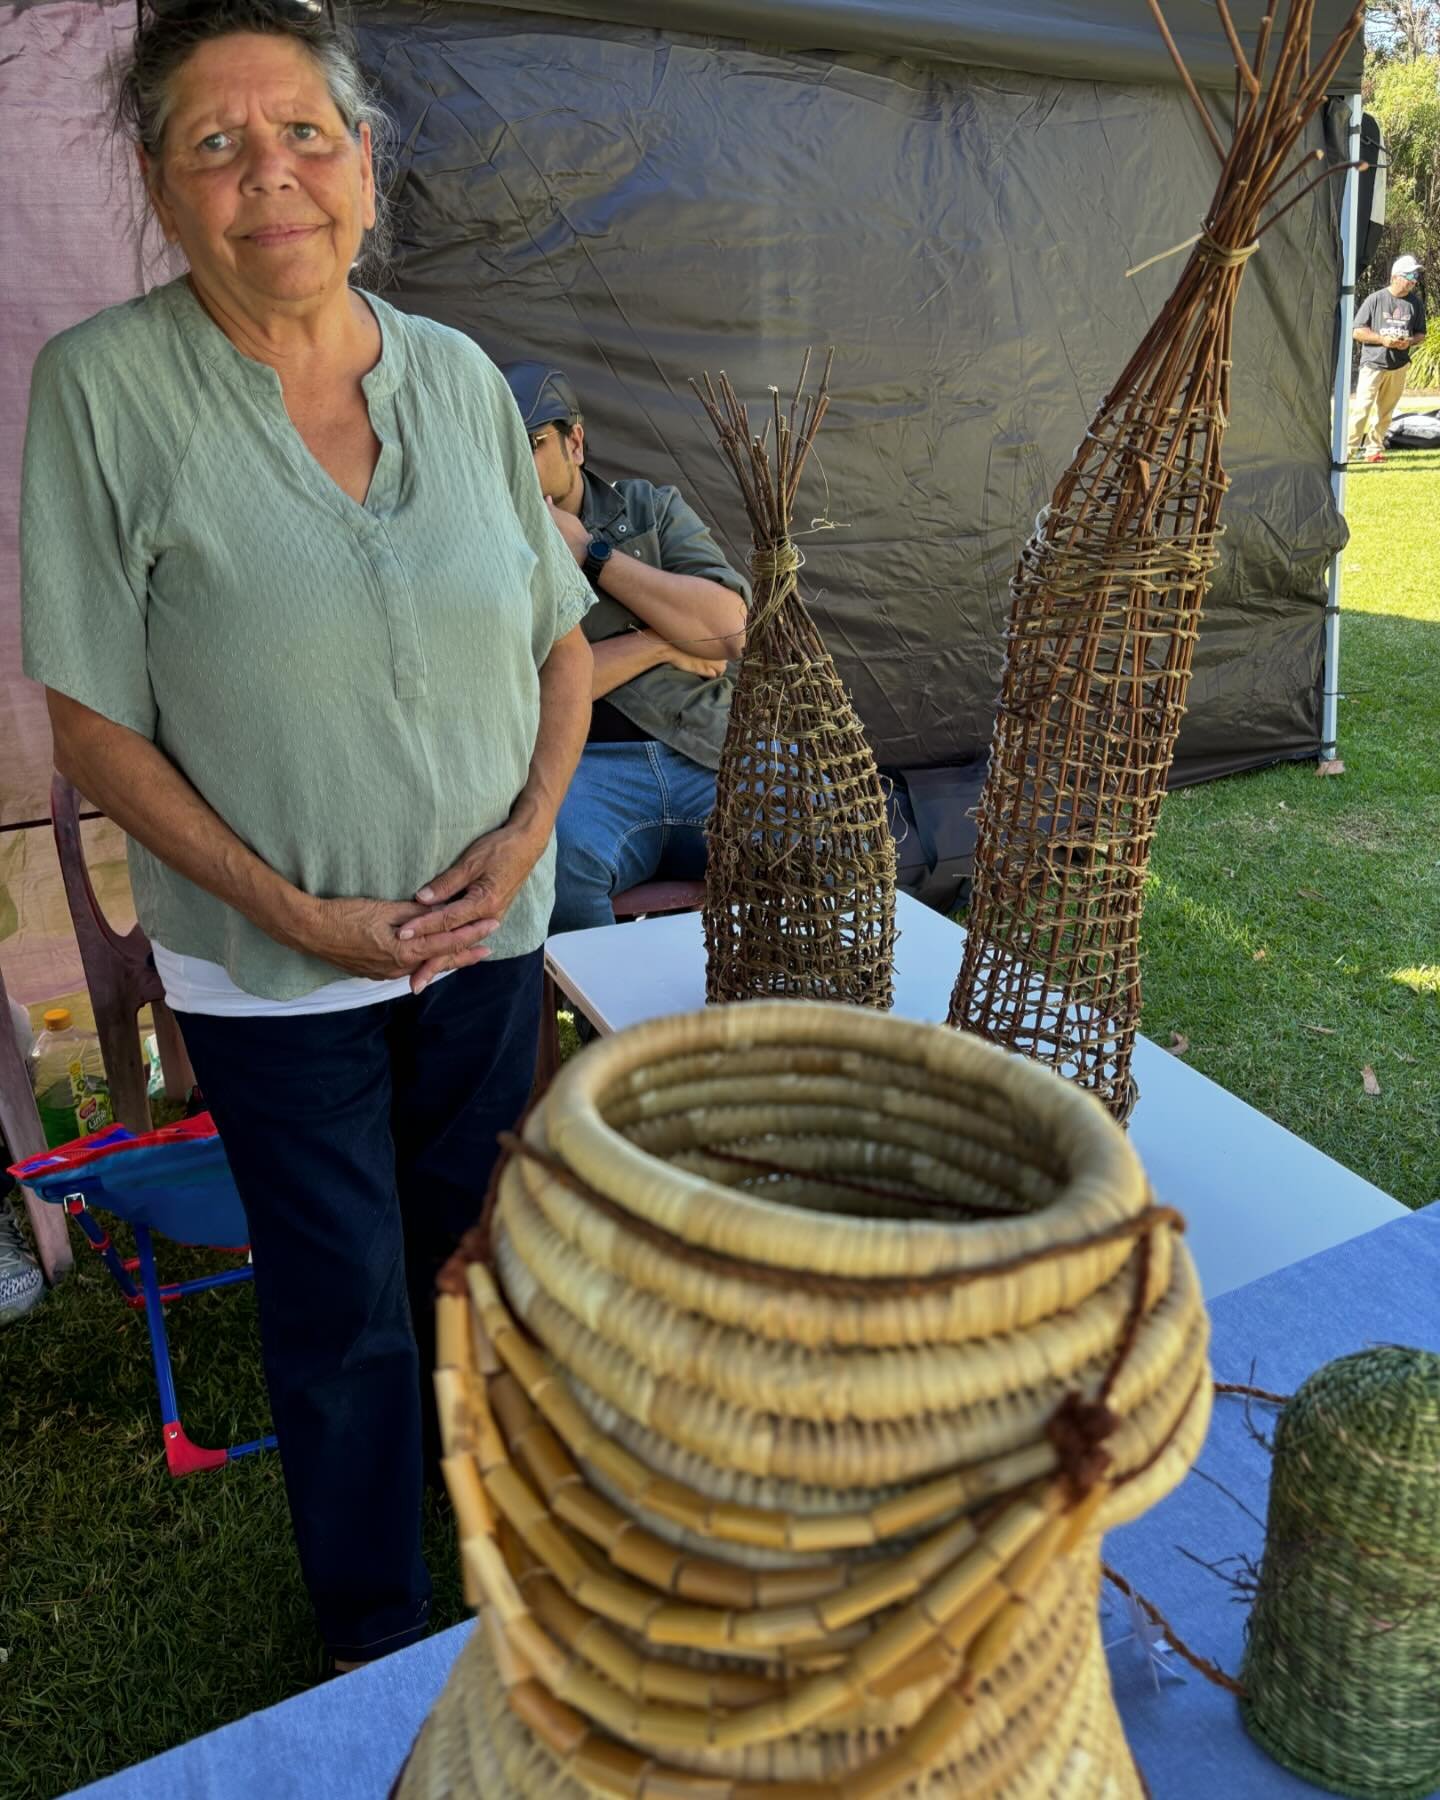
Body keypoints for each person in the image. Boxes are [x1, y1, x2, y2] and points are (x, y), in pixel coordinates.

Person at [21, 0, 593, 1670]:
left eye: (304, 137)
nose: (268, 177)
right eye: (216, 143)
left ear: (365, 165)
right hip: (277, 973)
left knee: (480, 1265)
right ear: (158, 178)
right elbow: (91, 724)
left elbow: (560, 637)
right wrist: (293, 906)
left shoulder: (463, 377)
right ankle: (376, 1632)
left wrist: (531, 830)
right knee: (341, 1307)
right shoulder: (104, 390)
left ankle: (504, 1563)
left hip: (488, 941)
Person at [501, 364, 749, 931]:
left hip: (708, 749)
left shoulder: (651, 511)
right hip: (585, 770)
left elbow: (729, 629)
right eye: (502, 454)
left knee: (818, 827)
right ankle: (617, 1023)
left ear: (576, 442)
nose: (518, 470)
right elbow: (527, 693)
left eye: (533, 446)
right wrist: (662, 643)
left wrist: (594, 554)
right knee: (551, 862)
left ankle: (775, 1008)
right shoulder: (494, 547)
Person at [1349, 254, 1428, 464]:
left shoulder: (1415, 304)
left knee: (1385, 412)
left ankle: (1373, 450)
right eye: (1410, 275)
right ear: (1395, 277)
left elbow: (1421, 333)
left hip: (1398, 365)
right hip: (1373, 364)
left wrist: (1408, 341)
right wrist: (1382, 339)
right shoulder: (1376, 299)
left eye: (1415, 276)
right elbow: (1357, 331)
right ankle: (1347, 450)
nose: (1413, 280)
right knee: (1362, 408)